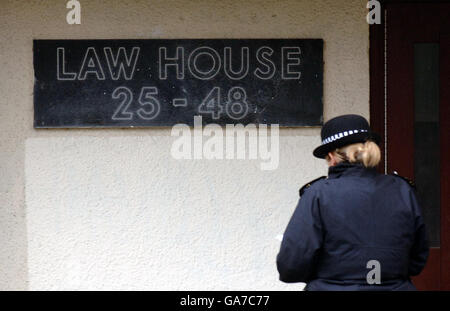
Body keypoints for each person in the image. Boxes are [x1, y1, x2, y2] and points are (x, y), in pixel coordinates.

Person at [276, 114, 429, 290]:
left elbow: (291, 266)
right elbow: (417, 259)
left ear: (332, 156)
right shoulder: (403, 190)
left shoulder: (318, 194)